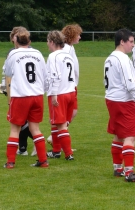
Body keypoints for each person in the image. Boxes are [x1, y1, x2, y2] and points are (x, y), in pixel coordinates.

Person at [104, 29, 135, 182]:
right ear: (122, 42)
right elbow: (130, 83)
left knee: (118, 135)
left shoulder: (109, 58)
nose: (133, 45)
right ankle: (129, 172)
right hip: (123, 101)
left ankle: (118, 168)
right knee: (129, 136)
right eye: (130, 41)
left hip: (111, 99)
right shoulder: (122, 58)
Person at [3, 26, 49, 168]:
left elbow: (8, 74)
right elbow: (45, 75)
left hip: (21, 96)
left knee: (14, 129)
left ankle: (10, 162)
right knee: (35, 128)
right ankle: (43, 160)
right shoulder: (38, 53)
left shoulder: (13, 54)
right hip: (37, 95)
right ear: (29, 40)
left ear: (15, 39)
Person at [0, 26, 36, 157]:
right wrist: (3, 85)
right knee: (21, 121)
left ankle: (34, 143)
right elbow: (6, 72)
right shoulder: (11, 52)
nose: (16, 37)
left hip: (23, 92)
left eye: (18, 35)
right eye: (15, 35)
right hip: (15, 89)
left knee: (21, 121)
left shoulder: (28, 52)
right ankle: (23, 148)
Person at [47, 24, 82, 152]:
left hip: (71, 87)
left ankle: (59, 138)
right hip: (66, 88)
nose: (79, 36)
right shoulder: (65, 49)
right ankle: (59, 140)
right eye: (78, 34)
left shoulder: (70, 48)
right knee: (67, 115)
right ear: (72, 35)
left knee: (71, 113)